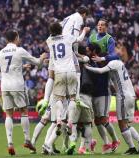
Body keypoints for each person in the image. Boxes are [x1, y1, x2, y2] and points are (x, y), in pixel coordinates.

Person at [34, 6, 89, 153]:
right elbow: (78, 39)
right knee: (72, 99)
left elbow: (52, 41)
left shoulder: (49, 41)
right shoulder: (68, 37)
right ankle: (70, 121)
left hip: (58, 72)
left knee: (58, 97)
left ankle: (58, 119)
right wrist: (84, 31)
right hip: (71, 71)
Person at [84, 51, 139, 155]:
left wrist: (87, 67)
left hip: (123, 96)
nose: (100, 61)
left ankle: (132, 148)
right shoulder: (119, 64)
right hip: (130, 95)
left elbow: (101, 71)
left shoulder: (112, 63)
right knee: (126, 123)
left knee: (122, 124)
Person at [0, 29, 47, 155]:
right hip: (17, 85)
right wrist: (41, 57)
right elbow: (37, 63)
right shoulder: (19, 50)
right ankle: (27, 139)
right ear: (15, 38)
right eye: (18, 37)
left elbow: (7, 68)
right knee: (23, 111)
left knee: (9, 114)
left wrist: (21, 66)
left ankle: (9, 143)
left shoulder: (0, 52)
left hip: (5, 86)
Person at [87, 18, 120, 154]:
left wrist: (103, 58)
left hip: (104, 87)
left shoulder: (109, 39)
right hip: (94, 89)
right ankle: (106, 143)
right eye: (98, 25)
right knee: (97, 120)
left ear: (106, 27)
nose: (100, 27)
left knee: (103, 118)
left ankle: (115, 140)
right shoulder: (92, 37)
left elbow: (115, 56)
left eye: (102, 25)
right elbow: (87, 50)